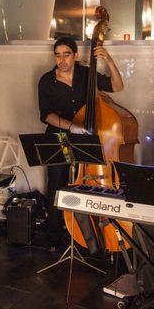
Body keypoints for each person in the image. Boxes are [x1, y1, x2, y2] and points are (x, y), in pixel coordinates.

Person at [38, 36, 124, 249]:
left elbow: (117, 86)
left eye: (66, 54)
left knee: (87, 185)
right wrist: (71, 126)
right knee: (57, 184)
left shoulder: (87, 74)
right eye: (58, 55)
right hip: (59, 136)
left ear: (75, 55)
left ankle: (90, 235)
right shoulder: (47, 80)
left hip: (86, 136)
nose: (62, 59)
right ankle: (55, 237)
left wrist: (109, 61)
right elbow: (46, 114)